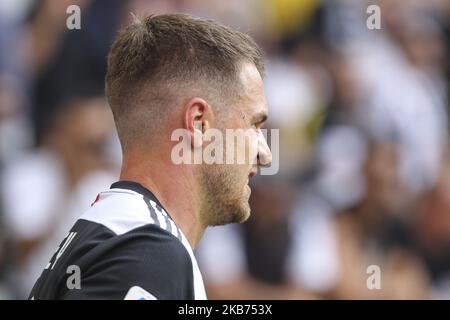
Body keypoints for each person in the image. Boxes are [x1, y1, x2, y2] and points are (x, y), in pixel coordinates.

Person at [29, 13, 272, 300]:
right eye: (254, 125)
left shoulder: (112, 233)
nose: (265, 154)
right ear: (198, 123)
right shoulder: (149, 252)